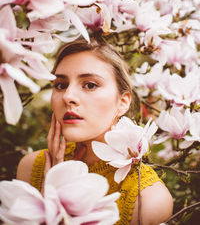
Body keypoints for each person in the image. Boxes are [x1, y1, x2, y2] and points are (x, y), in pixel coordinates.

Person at [17, 38, 173, 225]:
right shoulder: (33, 167)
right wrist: (50, 190)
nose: (68, 96)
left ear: (122, 102)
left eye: (90, 85)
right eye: (60, 85)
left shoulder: (147, 199)